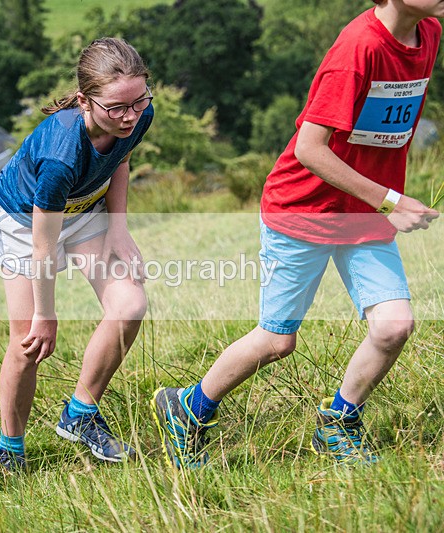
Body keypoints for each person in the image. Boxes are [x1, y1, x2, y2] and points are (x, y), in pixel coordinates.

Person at [152, 0, 441, 468]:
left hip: (363, 216)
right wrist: (390, 200)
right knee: (276, 341)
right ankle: (188, 409)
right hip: (302, 212)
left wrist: (380, 202)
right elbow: (310, 148)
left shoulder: (428, 33)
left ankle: (338, 423)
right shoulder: (358, 49)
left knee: (393, 327)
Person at [0, 37, 154, 473]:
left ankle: (79, 414)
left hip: (86, 207)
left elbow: (121, 158)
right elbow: (44, 244)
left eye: (138, 101)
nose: (130, 115)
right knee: (28, 343)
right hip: (26, 221)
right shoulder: (59, 154)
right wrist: (46, 313)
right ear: (84, 100)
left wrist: (119, 228)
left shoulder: (137, 112)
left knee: (130, 304)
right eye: (117, 107)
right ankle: (11, 449)